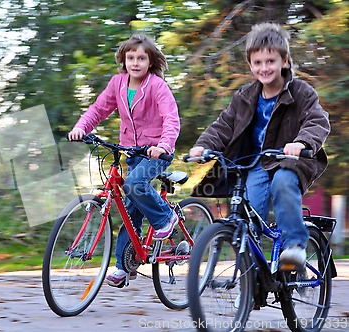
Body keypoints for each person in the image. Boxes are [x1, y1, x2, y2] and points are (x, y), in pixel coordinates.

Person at [188, 22, 330, 270]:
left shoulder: (301, 92)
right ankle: (251, 279)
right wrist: (203, 147)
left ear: (284, 61)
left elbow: (317, 121)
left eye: (270, 61)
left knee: (283, 182)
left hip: (290, 161)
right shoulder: (244, 96)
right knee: (248, 218)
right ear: (251, 65)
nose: (264, 68)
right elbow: (223, 126)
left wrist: (301, 143)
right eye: (258, 63)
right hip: (255, 164)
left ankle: (295, 246)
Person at [68, 34, 180, 287]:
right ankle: (123, 265)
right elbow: (98, 110)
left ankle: (165, 218)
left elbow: (171, 119)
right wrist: (81, 128)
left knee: (134, 183)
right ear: (123, 60)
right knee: (129, 210)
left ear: (150, 62)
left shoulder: (157, 87)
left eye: (141, 58)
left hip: (157, 152)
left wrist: (163, 145)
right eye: (131, 58)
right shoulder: (118, 83)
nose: (135, 63)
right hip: (132, 151)